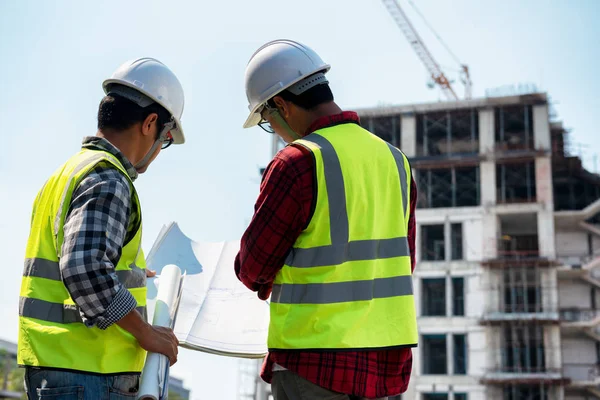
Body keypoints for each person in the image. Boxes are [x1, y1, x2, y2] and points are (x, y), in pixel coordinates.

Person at [235, 39, 419, 400]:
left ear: (282, 106)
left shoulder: (298, 161)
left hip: (313, 363)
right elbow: (404, 262)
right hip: (382, 366)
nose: (275, 131)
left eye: (268, 120)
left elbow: (252, 267)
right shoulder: (395, 162)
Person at [18, 57, 186, 399]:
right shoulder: (108, 178)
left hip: (56, 364)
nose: (158, 152)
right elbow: (84, 268)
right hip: (89, 372)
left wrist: (135, 275)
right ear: (150, 123)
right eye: (165, 138)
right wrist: (146, 334)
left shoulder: (67, 172)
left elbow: (76, 258)